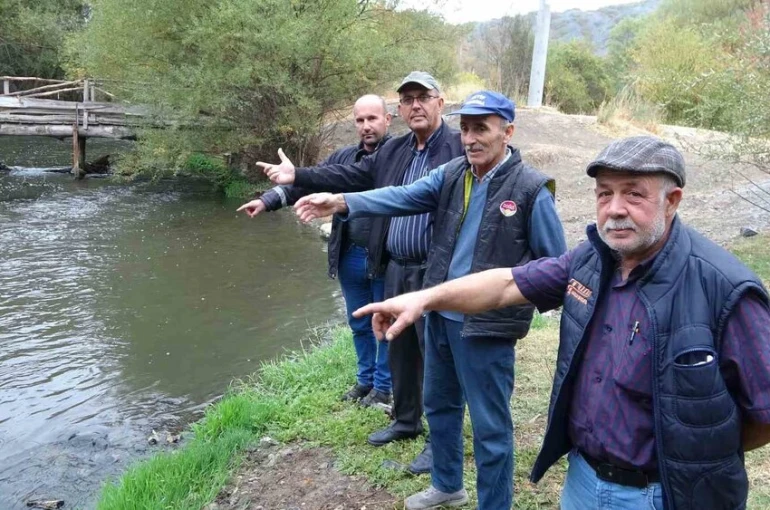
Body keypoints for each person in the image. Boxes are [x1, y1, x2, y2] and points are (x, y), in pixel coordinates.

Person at [354, 136, 770, 510]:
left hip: (668, 495)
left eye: (634, 195)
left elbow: (765, 415)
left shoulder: (725, 288)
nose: (615, 209)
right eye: (604, 194)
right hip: (583, 483)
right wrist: (424, 298)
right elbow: (504, 285)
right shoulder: (589, 261)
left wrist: (697, 456)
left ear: (672, 200)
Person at [294, 90, 567, 510]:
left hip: (487, 326)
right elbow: (400, 196)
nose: (471, 138)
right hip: (438, 313)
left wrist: (512, 301)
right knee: (439, 405)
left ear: (508, 132)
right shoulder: (455, 172)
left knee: (490, 426)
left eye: (482, 129)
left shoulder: (531, 190)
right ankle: (447, 485)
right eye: (466, 129)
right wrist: (343, 201)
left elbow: (553, 269)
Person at [254, 71, 465, 474]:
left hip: (439, 271)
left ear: (441, 102)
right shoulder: (396, 150)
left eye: (424, 97)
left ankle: (442, 445)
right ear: (399, 110)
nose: (416, 105)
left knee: (439, 360)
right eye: (408, 99)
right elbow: (348, 174)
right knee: (401, 350)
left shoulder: (459, 146)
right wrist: (297, 177)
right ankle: (405, 421)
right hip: (399, 267)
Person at [238, 95, 393, 406]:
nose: (366, 126)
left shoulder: (397, 157)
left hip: (385, 257)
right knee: (358, 322)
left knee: (385, 322)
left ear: (387, 120)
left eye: (372, 119)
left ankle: (384, 386)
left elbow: (343, 179)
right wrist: (268, 200)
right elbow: (309, 182)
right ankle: (365, 382)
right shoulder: (344, 156)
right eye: (360, 120)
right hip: (349, 252)